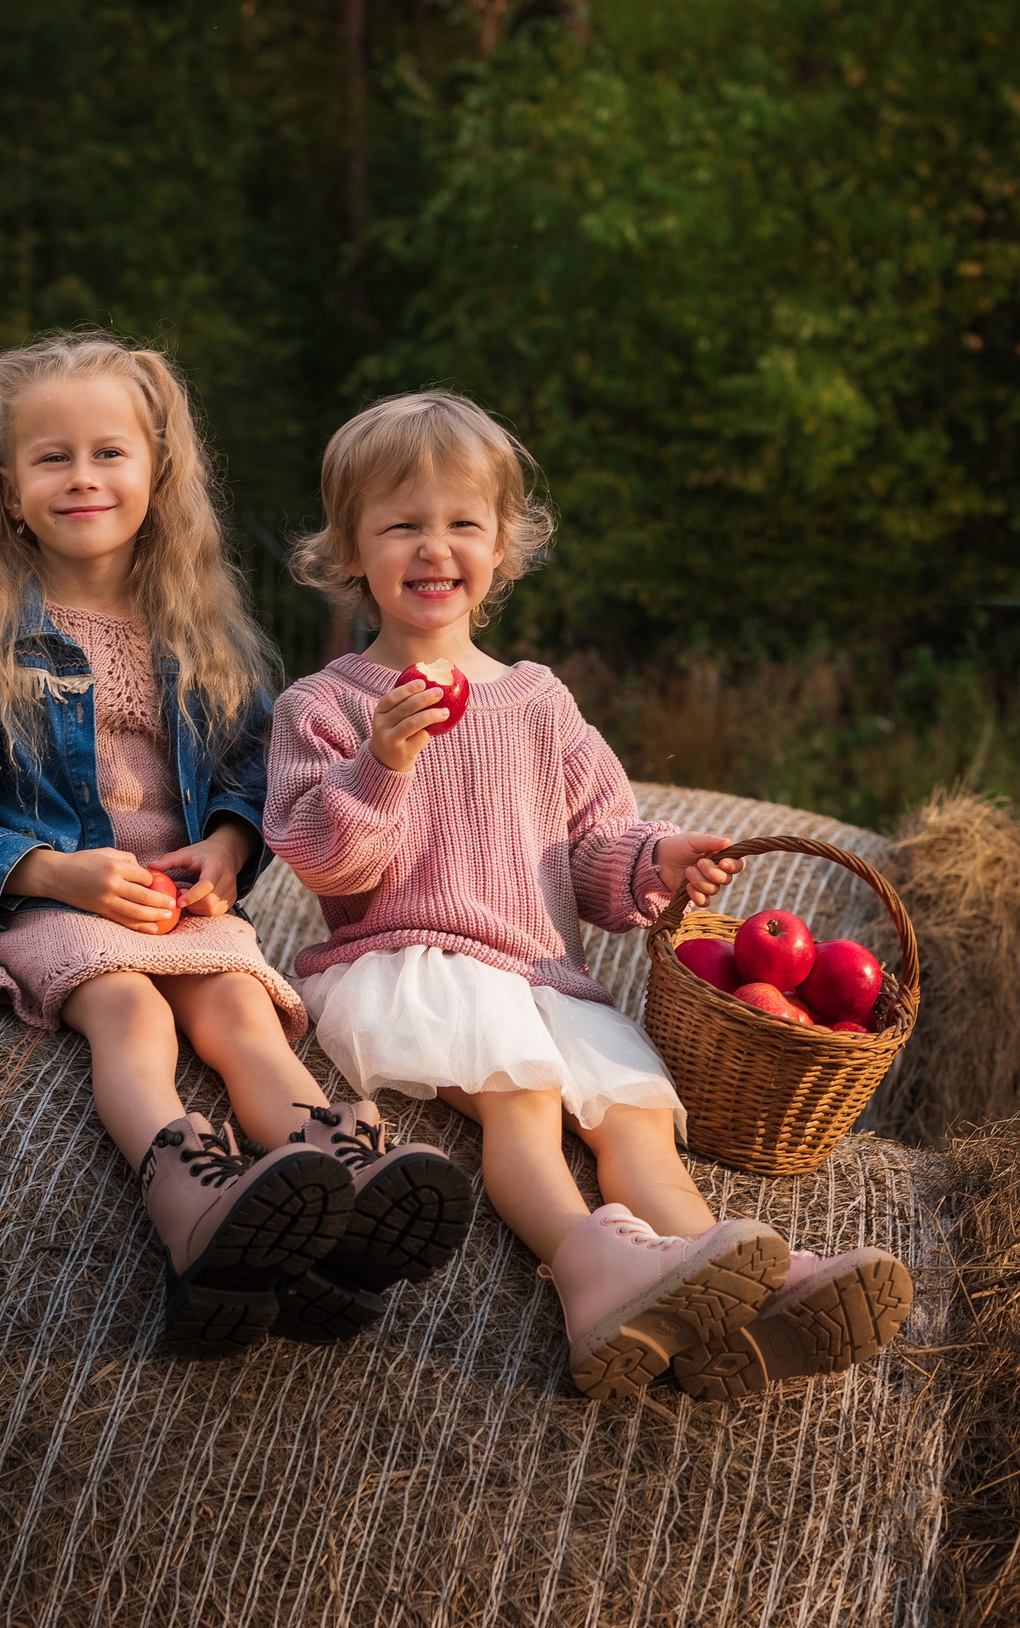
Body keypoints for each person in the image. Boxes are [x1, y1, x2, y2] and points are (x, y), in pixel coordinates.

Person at [266, 390, 912, 1400]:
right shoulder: (328, 704)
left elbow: (594, 846)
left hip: (541, 976)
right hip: (414, 960)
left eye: (461, 524)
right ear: (349, 550)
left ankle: (743, 1285)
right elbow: (320, 860)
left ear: (503, 547)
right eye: (401, 525)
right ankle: (585, 1262)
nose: (433, 549)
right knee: (521, 1102)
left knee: (635, 1119)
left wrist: (658, 863)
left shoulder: (538, 701)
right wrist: (380, 765)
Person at [0, 333, 470, 1356]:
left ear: (157, 474)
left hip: (176, 895)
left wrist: (230, 853)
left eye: (110, 452)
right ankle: (186, 1195)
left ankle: (336, 1169)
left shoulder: (198, 637)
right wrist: (56, 871)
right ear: (7, 490)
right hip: (52, 901)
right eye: (52, 457)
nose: (83, 476)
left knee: (243, 1008)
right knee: (126, 1011)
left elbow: (250, 771)